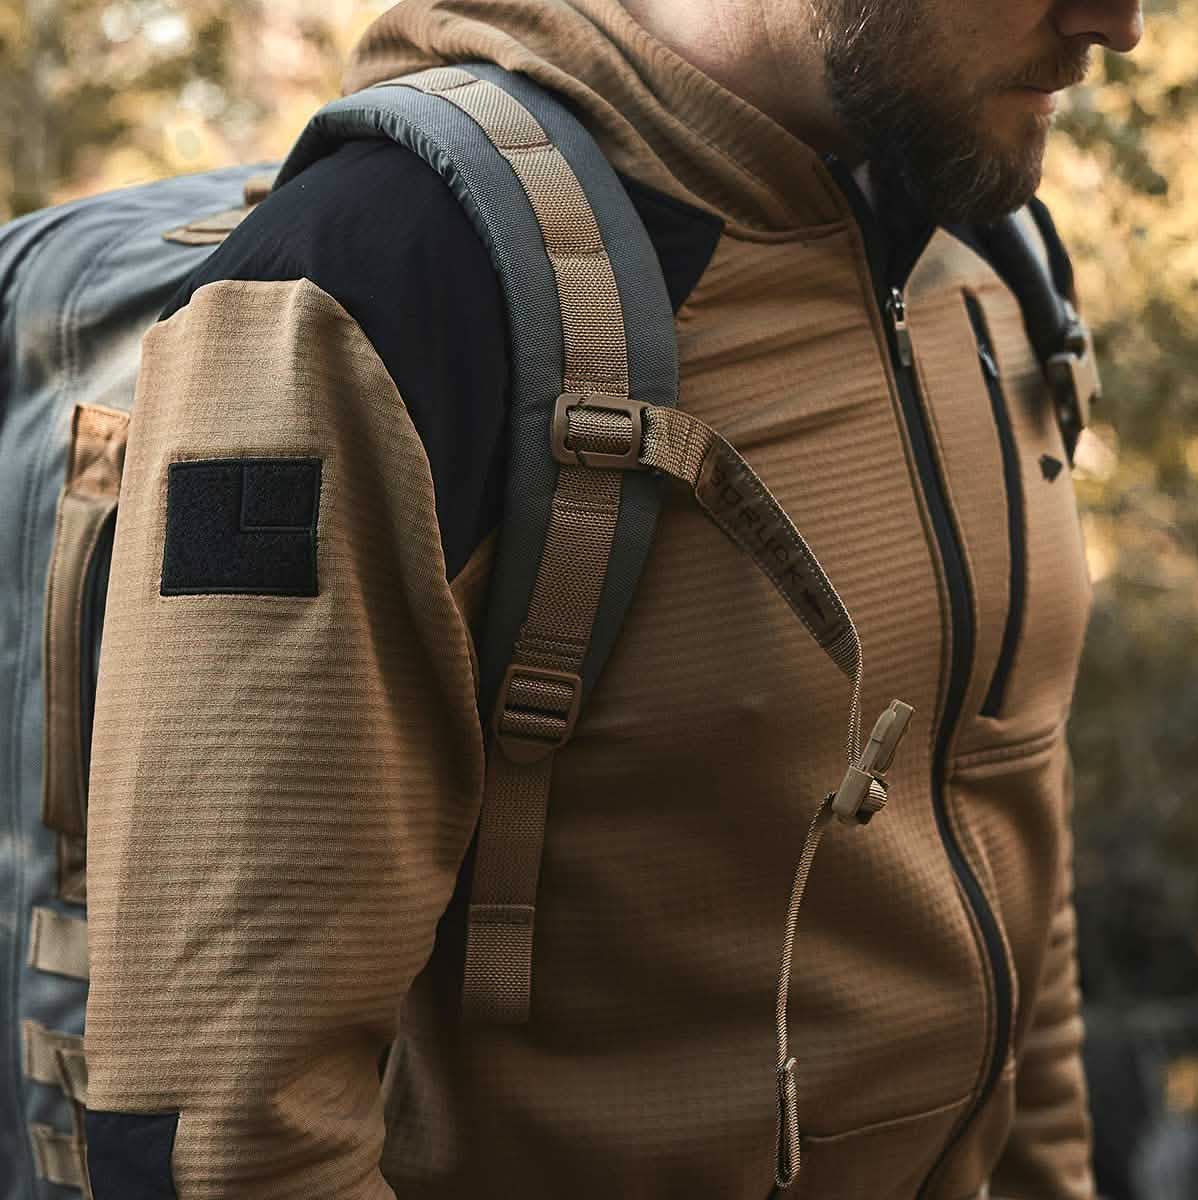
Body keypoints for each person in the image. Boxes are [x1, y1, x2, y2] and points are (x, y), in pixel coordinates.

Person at [81, 1, 1143, 1198]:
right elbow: (235, 1139)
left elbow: (1007, 825)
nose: (1119, 24)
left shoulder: (981, 235)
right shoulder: (378, 282)